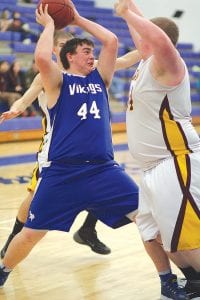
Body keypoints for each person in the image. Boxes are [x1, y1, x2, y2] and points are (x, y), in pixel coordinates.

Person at [0, 17, 190, 300]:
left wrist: (76, 18)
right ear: (69, 56)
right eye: (86, 51)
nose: (92, 55)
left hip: (104, 171)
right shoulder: (54, 80)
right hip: (63, 172)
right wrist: (50, 23)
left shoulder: (100, 78)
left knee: (149, 222)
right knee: (30, 234)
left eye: (92, 51)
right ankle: (3, 270)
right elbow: (41, 56)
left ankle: (167, 281)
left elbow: (112, 42)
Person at [115, 0, 200, 299]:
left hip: (175, 161)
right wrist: (130, 10)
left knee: (186, 238)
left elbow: (160, 39)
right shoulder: (145, 61)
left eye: (145, 36)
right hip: (150, 167)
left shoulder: (169, 62)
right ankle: (193, 280)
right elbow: (147, 38)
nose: (140, 41)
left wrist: (127, 13)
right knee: (155, 234)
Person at [0, 30, 111, 257]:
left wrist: (151, 45)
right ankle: (13, 239)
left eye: (69, 44)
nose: (65, 47)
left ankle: (88, 229)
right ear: (53, 48)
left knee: (106, 182)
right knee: (34, 195)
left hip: (89, 142)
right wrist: (16, 108)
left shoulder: (89, 68)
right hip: (57, 146)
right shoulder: (48, 74)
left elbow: (121, 60)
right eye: (61, 44)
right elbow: (27, 96)